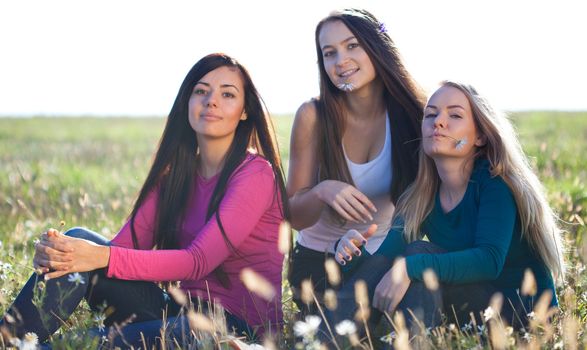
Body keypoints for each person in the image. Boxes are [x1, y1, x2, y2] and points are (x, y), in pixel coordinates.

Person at [0, 53, 289, 347]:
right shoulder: (175, 177)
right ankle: (8, 338)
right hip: (179, 312)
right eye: (201, 91)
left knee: (80, 342)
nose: (211, 100)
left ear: (244, 111)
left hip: (236, 331)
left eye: (228, 94)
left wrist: (97, 256)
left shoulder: (256, 174)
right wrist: (64, 254)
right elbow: (122, 250)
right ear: (186, 103)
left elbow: (197, 261)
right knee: (78, 239)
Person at [333, 81, 565, 336]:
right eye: (430, 114)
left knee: (416, 258)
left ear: (480, 136)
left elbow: (489, 261)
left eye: (454, 115)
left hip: (525, 319)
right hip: (471, 312)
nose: (438, 122)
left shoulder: (495, 185)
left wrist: (410, 267)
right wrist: (352, 255)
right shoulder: (420, 196)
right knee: (413, 264)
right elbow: (384, 263)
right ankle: (328, 339)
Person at [286, 8, 425, 312]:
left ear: (376, 47)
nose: (341, 61)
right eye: (329, 53)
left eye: (352, 46)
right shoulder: (313, 116)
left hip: (386, 260)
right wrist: (323, 190)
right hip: (320, 264)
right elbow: (294, 215)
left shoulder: (415, 114)